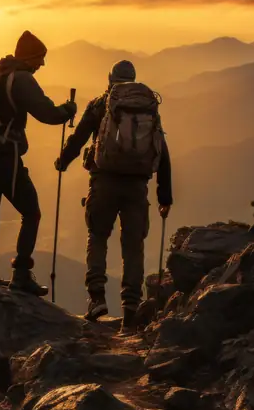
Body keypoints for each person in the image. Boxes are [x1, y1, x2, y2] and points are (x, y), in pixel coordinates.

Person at [55, 59, 172, 332]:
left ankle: (96, 297)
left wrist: (63, 161)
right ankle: (130, 309)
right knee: (133, 246)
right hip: (137, 187)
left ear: (110, 79)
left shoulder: (100, 105)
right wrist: (165, 197)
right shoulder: (148, 108)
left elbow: (80, 137)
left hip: (104, 182)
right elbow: (161, 152)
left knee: (97, 235)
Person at [0, 30, 77, 298]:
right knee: (31, 212)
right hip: (6, 159)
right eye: (41, 59)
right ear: (31, 57)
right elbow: (47, 114)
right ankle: (20, 275)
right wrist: (68, 111)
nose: (42, 65)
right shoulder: (22, 79)